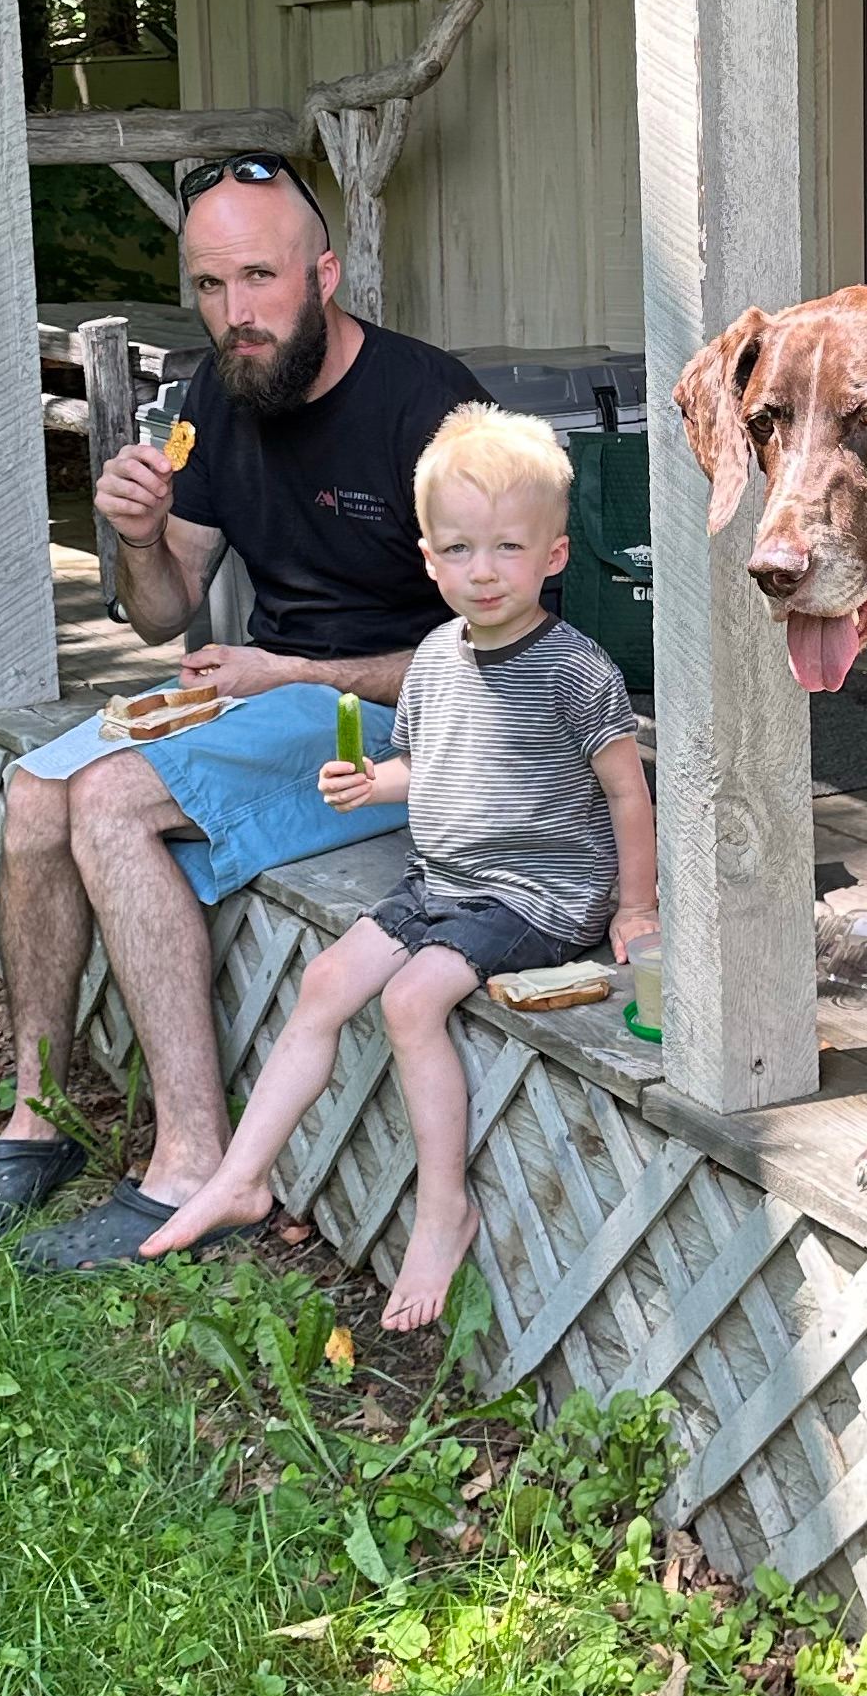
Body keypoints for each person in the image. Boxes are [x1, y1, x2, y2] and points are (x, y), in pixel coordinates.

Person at [0, 154, 483, 1268]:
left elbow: (497, 650)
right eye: (211, 285)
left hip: (400, 714)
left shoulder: (429, 408)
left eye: (261, 278)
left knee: (109, 802)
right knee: (35, 788)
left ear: (325, 273)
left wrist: (298, 678)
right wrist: (141, 535)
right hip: (261, 685)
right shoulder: (215, 393)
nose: (237, 315)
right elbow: (163, 615)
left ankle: (196, 1163)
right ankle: (39, 1114)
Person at [136, 402, 657, 1326]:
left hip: (541, 891)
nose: (483, 571)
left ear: (555, 556)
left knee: (410, 999)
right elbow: (428, 765)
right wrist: (372, 787)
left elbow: (625, 789)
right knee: (327, 980)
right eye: (457, 550)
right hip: (447, 882)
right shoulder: (434, 657)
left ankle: (442, 1209)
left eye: (506, 548)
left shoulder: (576, 668)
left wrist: (635, 907)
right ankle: (239, 1179)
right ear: (427, 559)